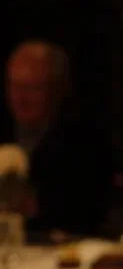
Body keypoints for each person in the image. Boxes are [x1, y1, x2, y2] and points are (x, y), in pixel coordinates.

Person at [1, 39, 109, 237]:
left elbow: (85, 213)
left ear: (57, 89)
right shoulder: (5, 132)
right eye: (14, 86)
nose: (20, 98)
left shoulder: (82, 143)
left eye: (32, 88)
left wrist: (36, 206)